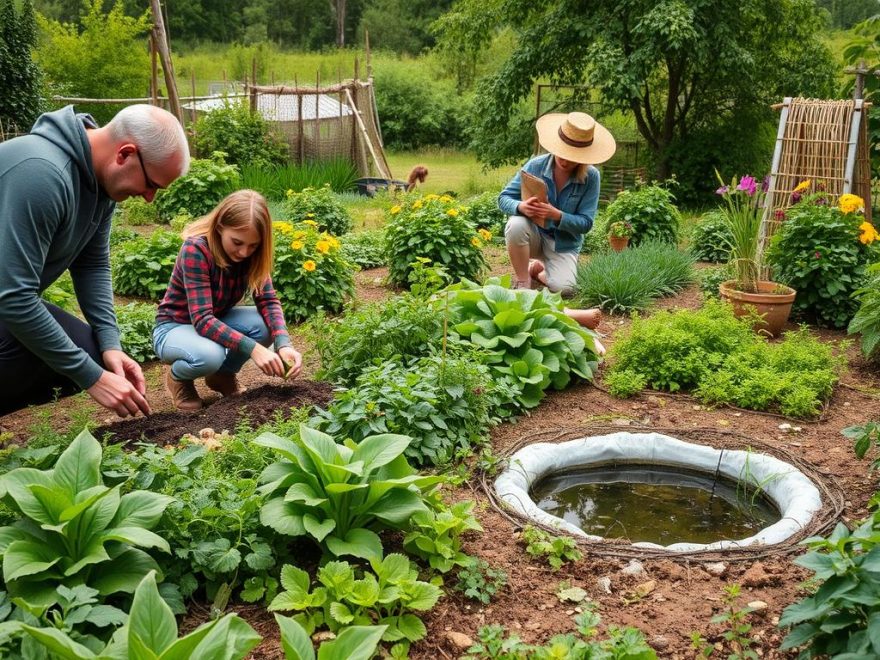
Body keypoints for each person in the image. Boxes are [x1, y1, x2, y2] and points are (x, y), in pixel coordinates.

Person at [0, 104, 190, 418]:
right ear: (125, 154)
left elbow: (92, 264)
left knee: (94, 353)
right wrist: (91, 377)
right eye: (152, 185)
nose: (148, 198)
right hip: (6, 300)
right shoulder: (42, 174)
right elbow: (14, 297)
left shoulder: (99, 185)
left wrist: (111, 345)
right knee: (70, 362)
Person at [153, 189, 303, 411]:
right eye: (237, 242)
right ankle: (178, 378)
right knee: (209, 355)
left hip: (215, 319)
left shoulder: (252, 255)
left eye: (253, 246)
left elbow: (269, 302)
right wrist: (254, 349)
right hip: (175, 327)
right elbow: (202, 320)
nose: (244, 252)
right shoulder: (196, 249)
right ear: (220, 227)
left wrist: (283, 344)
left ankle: (222, 375)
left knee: (265, 325)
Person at [498, 112, 616, 296]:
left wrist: (556, 215)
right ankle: (523, 281)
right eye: (562, 151)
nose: (565, 159)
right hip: (534, 236)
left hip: (564, 243)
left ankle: (538, 271)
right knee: (516, 224)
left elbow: (586, 223)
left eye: (573, 155)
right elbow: (504, 198)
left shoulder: (591, 177)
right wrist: (521, 207)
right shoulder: (535, 166)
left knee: (566, 289)